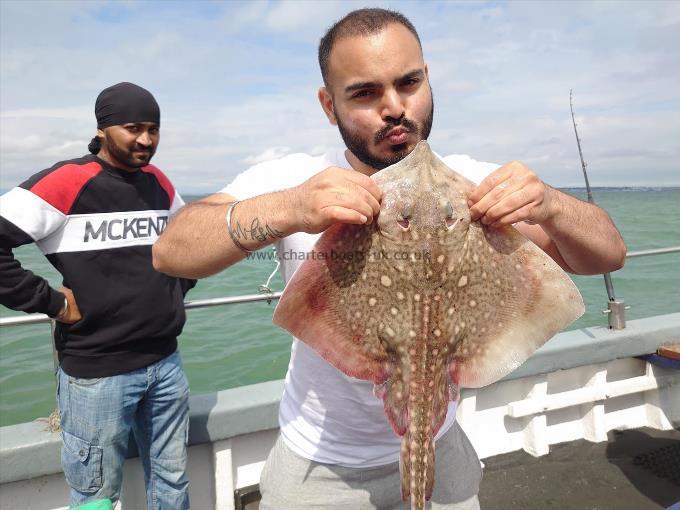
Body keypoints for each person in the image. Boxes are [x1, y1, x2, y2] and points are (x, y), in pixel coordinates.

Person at [153, 8, 626, 510]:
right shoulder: (299, 179)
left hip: (446, 451)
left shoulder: (474, 183)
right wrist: (290, 207)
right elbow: (170, 252)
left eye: (409, 82)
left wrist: (550, 204)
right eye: (365, 92)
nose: (395, 107)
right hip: (319, 464)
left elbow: (608, 254)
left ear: (428, 80)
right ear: (328, 106)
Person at [0, 82, 195, 509]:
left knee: (173, 484)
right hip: (97, 375)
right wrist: (49, 301)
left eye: (154, 129)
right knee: (96, 498)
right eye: (133, 127)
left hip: (166, 363)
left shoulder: (158, 183)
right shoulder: (67, 181)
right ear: (103, 129)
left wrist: (175, 290)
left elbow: (192, 242)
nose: (146, 139)